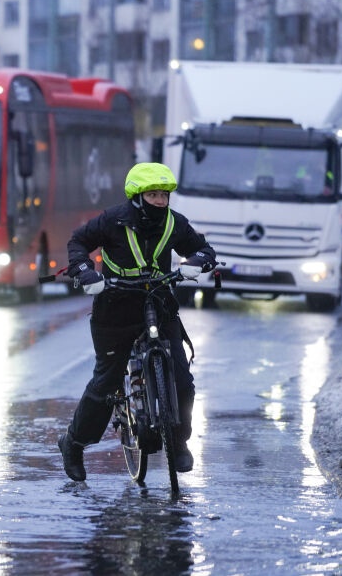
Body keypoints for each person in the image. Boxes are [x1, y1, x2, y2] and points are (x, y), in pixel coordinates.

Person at [58, 162, 216, 481]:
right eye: (153, 195)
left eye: (164, 195)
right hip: (115, 306)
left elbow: (204, 250)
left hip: (159, 305)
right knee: (106, 384)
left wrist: (196, 263)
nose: (160, 201)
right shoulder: (111, 220)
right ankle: (73, 444)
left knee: (183, 380)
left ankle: (179, 442)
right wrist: (84, 271)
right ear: (137, 196)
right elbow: (77, 243)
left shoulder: (174, 223)